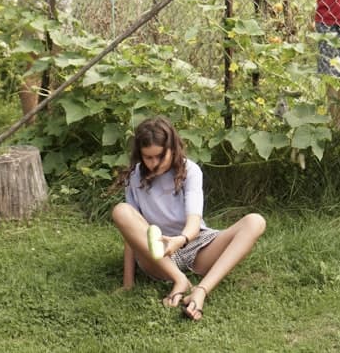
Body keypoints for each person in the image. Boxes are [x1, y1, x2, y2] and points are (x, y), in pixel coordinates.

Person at [111, 116, 266, 321]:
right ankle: (180, 280)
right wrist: (128, 283)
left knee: (255, 221)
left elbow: (194, 222)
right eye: (148, 157)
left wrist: (181, 240)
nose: (154, 163)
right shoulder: (135, 176)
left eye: (160, 156)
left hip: (194, 243)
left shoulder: (190, 170)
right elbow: (131, 233)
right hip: (158, 253)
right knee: (121, 210)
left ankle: (201, 290)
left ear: (172, 148)